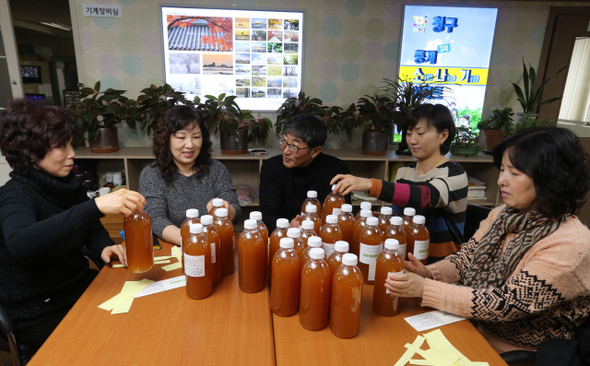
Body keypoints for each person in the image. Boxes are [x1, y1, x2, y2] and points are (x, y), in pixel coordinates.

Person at [386, 126, 590, 354]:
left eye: (514, 173)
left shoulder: (570, 246)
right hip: (471, 326)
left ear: (551, 179)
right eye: (502, 170)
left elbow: (505, 304)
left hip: (515, 352)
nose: (501, 180)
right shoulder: (502, 216)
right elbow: (466, 259)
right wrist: (428, 273)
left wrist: (426, 288)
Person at [0, 99, 146, 348]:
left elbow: (89, 226)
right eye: (62, 147)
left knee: (144, 318)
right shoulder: (15, 195)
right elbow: (21, 243)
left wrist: (103, 247)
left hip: (80, 288)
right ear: (32, 152)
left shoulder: (67, 184)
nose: (72, 154)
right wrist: (95, 206)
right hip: (40, 310)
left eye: (70, 144)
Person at [332, 104, 468, 262]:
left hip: (442, 267)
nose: (412, 141)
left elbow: (425, 196)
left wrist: (371, 184)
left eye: (421, 133)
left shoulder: (454, 173)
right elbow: (403, 217)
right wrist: (386, 219)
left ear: (443, 136)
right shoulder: (404, 172)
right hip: (405, 261)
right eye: (409, 134)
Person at [140, 105, 241, 245]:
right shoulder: (152, 174)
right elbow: (156, 219)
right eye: (181, 137)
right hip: (177, 246)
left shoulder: (216, 169)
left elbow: (236, 211)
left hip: (217, 245)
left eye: (196, 137)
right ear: (166, 140)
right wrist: (193, 242)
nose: (190, 145)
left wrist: (226, 211)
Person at [259, 113, 350, 232]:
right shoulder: (271, 167)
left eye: (294, 147)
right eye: (284, 141)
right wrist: (288, 227)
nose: (286, 151)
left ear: (315, 151)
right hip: (283, 236)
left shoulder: (337, 170)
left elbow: (343, 215)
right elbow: (267, 215)